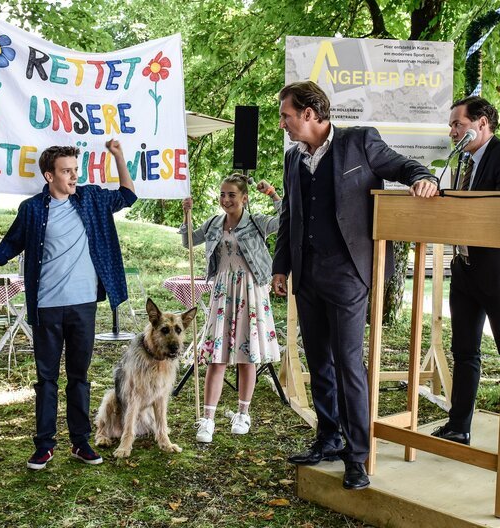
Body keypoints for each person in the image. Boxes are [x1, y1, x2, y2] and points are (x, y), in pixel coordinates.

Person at [271, 80, 438, 490]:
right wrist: (281, 267)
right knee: (319, 362)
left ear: (309, 114)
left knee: (348, 363)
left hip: (348, 274)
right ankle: (328, 437)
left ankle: (357, 454)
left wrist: (424, 178)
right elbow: (290, 215)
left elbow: (402, 166)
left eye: (286, 116)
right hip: (307, 275)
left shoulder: (359, 142)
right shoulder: (293, 158)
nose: (282, 124)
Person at [0, 140, 136, 470]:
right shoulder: (32, 209)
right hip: (46, 306)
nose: (74, 176)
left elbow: (127, 195)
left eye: (75, 170)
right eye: (66, 171)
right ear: (49, 176)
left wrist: (119, 156)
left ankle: (80, 442)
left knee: (79, 377)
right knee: (47, 379)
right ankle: (44, 445)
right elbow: (7, 246)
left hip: (83, 305)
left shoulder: (92, 199)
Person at [431, 97, 500, 472]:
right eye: (451, 125)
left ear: (481, 123)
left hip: (499, 271)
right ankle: (459, 426)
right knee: (464, 351)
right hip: (464, 269)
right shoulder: (462, 162)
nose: (452, 132)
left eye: (457, 124)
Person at [180, 175, 282, 443]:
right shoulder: (214, 223)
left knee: (247, 355)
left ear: (244, 198)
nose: (226, 200)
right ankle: (208, 419)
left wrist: (273, 194)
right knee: (217, 356)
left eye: (232, 195)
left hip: (251, 290)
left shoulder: (257, 222)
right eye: (223, 194)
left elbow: (286, 219)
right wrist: (187, 216)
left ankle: (243, 414)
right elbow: (188, 241)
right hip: (223, 291)